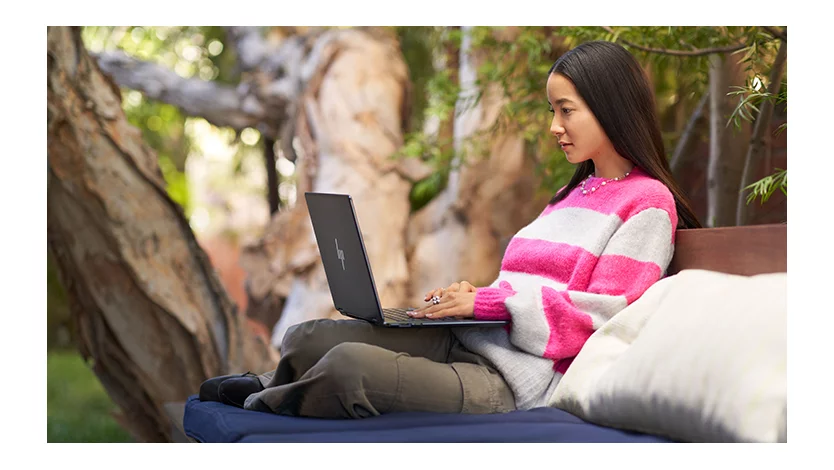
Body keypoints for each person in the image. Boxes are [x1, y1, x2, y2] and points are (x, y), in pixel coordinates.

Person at [199, 40, 702, 418]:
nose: (554, 126)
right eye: (553, 110)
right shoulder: (573, 193)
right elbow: (523, 290)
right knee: (309, 335)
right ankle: (270, 382)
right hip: (474, 340)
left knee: (348, 366)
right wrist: (473, 297)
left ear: (610, 107)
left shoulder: (647, 205)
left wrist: (488, 303)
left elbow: (598, 320)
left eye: (566, 110)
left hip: (511, 380)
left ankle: (262, 402)